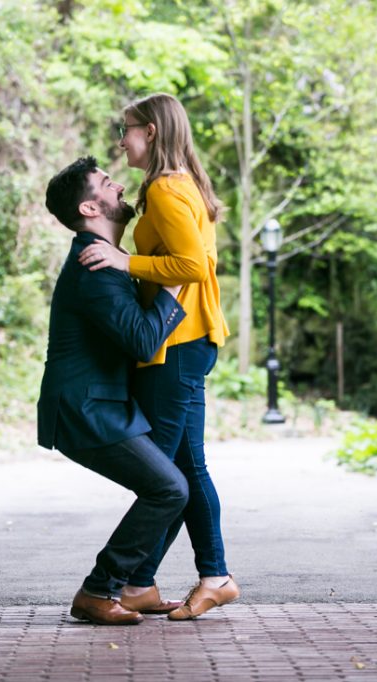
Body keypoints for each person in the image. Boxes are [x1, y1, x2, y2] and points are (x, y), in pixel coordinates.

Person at [78, 93, 238, 620]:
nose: (121, 140)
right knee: (184, 467)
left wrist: (126, 261)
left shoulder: (167, 189)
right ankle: (185, 579)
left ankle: (151, 578)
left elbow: (191, 265)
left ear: (151, 130)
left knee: (166, 478)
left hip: (179, 345)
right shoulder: (178, 184)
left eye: (126, 130)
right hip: (191, 341)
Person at [39, 156, 191, 626]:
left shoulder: (109, 262)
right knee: (169, 489)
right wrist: (177, 275)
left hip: (102, 405)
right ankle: (99, 591)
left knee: (174, 484)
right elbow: (145, 340)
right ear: (90, 207)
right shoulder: (95, 268)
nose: (120, 184)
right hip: (86, 409)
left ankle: (134, 589)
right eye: (108, 183)